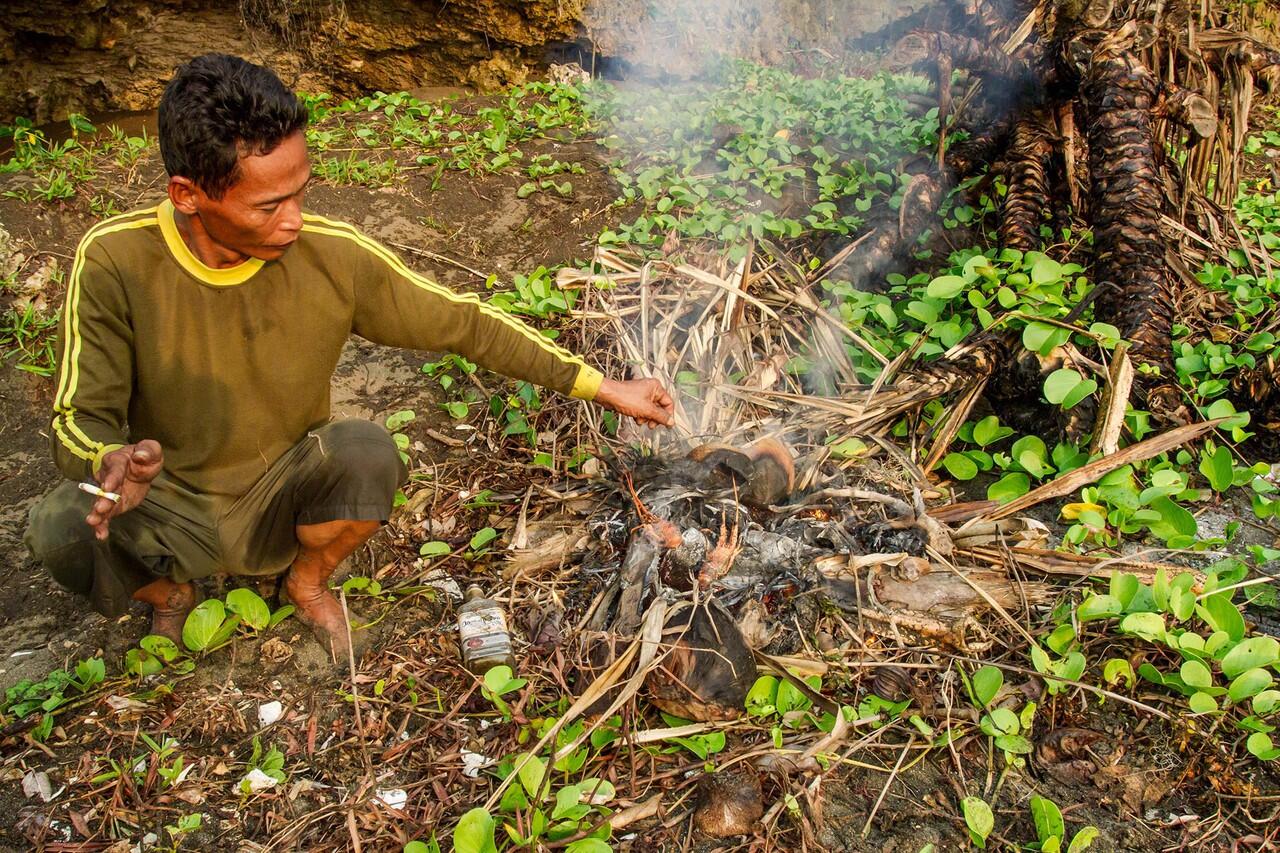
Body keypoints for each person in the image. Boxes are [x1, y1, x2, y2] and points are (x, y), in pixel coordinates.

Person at [23, 53, 674, 658]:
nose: (295, 220)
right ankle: (170, 593)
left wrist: (603, 387)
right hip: (166, 502)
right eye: (269, 204)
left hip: (283, 491)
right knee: (59, 523)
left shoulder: (331, 256)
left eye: (301, 191)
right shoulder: (115, 260)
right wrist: (108, 460)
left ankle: (305, 580)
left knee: (367, 451)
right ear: (188, 194)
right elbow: (79, 414)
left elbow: (463, 322)